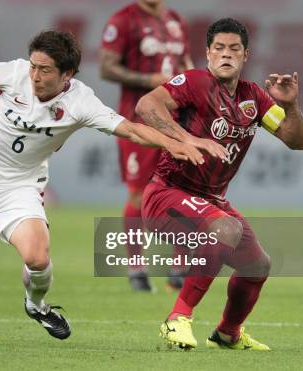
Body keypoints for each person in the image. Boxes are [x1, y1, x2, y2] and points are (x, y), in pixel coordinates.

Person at [0, 30, 225, 342]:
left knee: (37, 257)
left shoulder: (80, 101)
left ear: (67, 74)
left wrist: (176, 143)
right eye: (33, 66)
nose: (35, 75)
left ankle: (36, 306)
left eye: (45, 70)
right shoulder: (13, 74)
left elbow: (129, 128)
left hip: (19, 186)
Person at [137, 18, 303, 350]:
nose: (226, 55)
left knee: (258, 265)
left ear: (246, 55)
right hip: (167, 194)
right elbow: (147, 106)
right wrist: (188, 139)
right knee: (226, 230)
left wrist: (290, 107)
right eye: (219, 48)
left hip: (212, 201)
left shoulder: (253, 98)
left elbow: (295, 140)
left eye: (234, 49)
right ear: (208, 53)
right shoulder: (194, 82)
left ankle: (228, 333)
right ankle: (177, 320)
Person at [100, 0, 194, 291]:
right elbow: (106, 67)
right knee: (139, 195)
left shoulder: (175, 19)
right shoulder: (123, 20)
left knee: (182, 192)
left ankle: (179, 269)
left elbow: (186, 65)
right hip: (137, 123)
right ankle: (136, 270)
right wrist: (148, 79)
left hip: (177, 121)